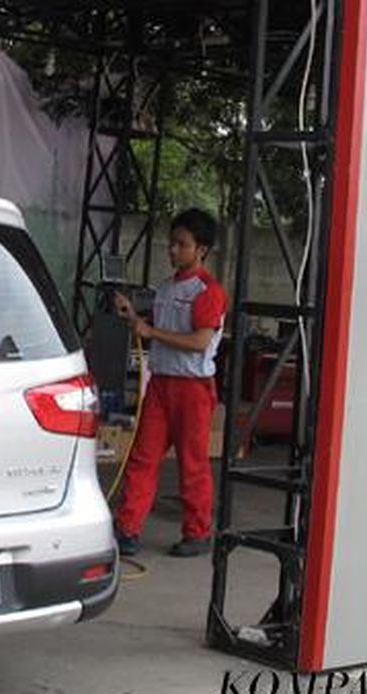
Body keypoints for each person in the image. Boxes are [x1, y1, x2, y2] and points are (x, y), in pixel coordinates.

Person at [112, 208, 227, 557]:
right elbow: (155, 333)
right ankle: (127, 528)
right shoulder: (164, 288)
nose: (173, 250)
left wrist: (150, 331)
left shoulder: (209, 290)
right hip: (161, 385)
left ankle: (198, 532)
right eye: (171, 243)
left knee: (192, 463)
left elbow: (199, 342)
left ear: (201, 249)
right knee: (143, 456)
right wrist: (133, 318)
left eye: (182, 244)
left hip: (192, 389)